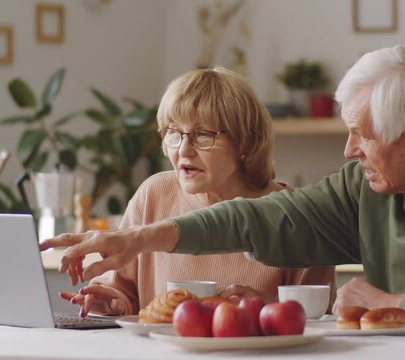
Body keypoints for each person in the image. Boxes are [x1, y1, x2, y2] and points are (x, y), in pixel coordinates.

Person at [42, 46, 405, 329]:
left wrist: (390, 300)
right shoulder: (362, 186)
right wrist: (137, 239)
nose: (348, 150)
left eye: (362, 135)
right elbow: (260, 217)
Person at [48, 67, 336, 317]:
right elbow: (124, 291)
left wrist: (267, 306)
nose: (184, 150)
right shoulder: (154, 194)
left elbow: (321, 317)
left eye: (202, 135)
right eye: (174, 133)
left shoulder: (295, 215)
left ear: (245, 143)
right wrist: (112, 301)